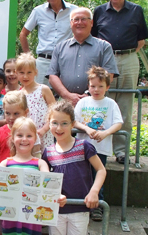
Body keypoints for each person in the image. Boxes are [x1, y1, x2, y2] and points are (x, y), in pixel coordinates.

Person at [92, 0, 148, 164]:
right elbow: (93, 38)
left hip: (129, 58)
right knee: (101, 102)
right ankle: (97, 149)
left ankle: (121, 152)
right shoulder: (99, 11)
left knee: (125, 106)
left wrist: (125, 54)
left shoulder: (136, 10)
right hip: (105, 61)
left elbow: (141, 40)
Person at [0, 117, 66, 235]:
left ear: (35, 139)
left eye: (29, 136)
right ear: (13, 138)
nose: (24, 139)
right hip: (9, 220)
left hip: (32, 221)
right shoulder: (5, 163)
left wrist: (58, 196)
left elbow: (49, 187)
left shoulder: (40, 164)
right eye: (20, 135)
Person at [42, 101, 107, 235]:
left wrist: (94, 192)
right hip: (57, 209)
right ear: (49, 123)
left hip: (79, 208)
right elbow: (45, 178)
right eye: (54, 123)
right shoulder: (48, 152)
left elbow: (101, 170)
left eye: (64, 123)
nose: (59, 128)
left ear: (72, 124)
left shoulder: (84, 146)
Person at [0, 91, 41, 235]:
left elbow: (38, 162)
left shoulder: (32, 135)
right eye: (7, 113)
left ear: (26, 112)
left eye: (16, 113)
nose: (11, 118)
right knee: (1, 227)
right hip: (5, 191)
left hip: (28, 192)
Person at [74, 66, 123, 221]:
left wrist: (105, 133)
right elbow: (74, 121)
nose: (96, 89)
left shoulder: (111, 104)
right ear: (88, 86)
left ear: (107, 87)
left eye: (100, 86)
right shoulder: (83, 102)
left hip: (100, 148)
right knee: (81, 175)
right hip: (82, 146)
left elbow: (118, 123)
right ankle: (81, 203)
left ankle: (96, 206)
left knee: (98, 176)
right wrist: (87, 129)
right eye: (93, 86)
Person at [47, 7, 119, 106]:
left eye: (84, 19)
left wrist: (89, 94)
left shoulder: (104, 47)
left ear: (92, 23)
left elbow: (108, 75)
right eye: (76, 19)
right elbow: (52, 76)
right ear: (70, 23)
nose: (79, 22)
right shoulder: (60, 47)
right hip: (66, 103)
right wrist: (67, 95)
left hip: (95, 103)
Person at [19, 0, 78, 86]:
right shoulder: (38, 11)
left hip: (66, 61)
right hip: (43, 62)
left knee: (64, 97)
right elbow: (23, 34)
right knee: (40, 96)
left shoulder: (74, 10)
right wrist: (29, 58)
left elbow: (81, 34)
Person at [16, 53, 55, 152]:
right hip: (27, 138)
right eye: (21, 72)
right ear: (16, 73)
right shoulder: (19, 94)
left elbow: (54, 113)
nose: (25, 76)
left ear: (35, 72)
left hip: (44, 135)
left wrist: (44, 129)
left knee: (45, 163)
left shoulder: (43, 89)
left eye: (29, 72)